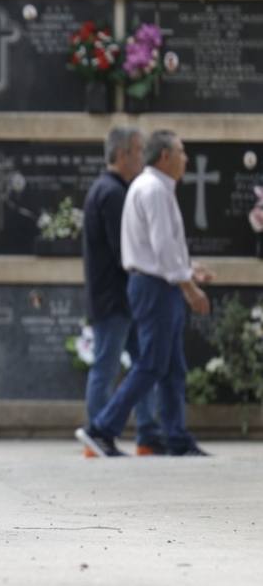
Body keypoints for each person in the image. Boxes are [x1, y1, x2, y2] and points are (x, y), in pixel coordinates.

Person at [77, 130, 214, 458]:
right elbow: (162, 248)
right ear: (164, 156)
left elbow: (162, 247)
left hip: (158, 283)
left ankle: (175, 438)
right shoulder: (152, 189)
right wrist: (189, 287)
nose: (186, 159)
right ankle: (101, 428)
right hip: (154, 287)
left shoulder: (155, 187)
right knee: (151, 364)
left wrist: (188, 269)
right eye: (181, 152)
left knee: (172, 366)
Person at [81, 127, 162, 457]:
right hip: (115, 297)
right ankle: (97, 437)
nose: (143, 159)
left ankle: (146, 435)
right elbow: (124, 251)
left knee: (143, 363)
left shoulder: (111, 189)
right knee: (106, 366)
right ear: (123, 154)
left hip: (119, 297)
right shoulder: (112, 193)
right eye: (140, 151)